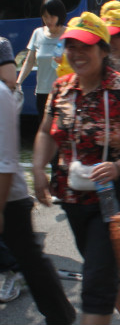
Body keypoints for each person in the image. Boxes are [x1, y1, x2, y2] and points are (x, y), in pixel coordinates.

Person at [32, 13, 120, 325]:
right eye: (70, 46)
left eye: (84, 46)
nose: (76, 53)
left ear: (102, 49)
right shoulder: (60, 89)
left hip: (113, 201)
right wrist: (37, 169)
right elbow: (46, 132)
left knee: (96, 282)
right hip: (71, 198)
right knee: (105, 267)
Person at [0, 37, 77, 322]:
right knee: (31, 259)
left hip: (8, 196)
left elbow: (6, 162)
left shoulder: (1, 94)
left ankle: (61, 315)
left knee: (31, 262)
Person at [16, 0, 68, 123]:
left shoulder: (68, 34)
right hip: (42, 92)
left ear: (60, 15)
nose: (48, 20)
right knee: (44, 128)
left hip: (63, 91)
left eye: (52, 16)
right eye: (45, 16)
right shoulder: (37, 33)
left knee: (61, 130)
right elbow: (29, 61)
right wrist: (18, 82)